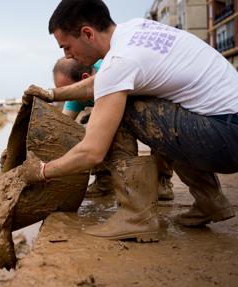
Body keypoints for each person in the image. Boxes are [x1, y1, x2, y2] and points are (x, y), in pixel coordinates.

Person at [21, 0, 238, 242]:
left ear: (87, 33)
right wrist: (52, 94)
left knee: (123, 108)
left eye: (67, 47)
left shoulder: (119, 61)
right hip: (226, 126)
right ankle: (210, 200)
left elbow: (92, 152)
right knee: (136, 99)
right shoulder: (135, 30)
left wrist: (41, 171)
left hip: (226, 136)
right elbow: (101, 81)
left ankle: (136, 217)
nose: (67, 55)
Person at [53, 57, 175, 200]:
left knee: (160, 129)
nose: (67, 95)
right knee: (97, 129)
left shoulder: (113, 69)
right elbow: (61, 126)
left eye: (68, 90)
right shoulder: (75, 98)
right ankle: (105, 180)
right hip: (115, 109)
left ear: (84, 79)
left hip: (149, 102)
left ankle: (162, 180)